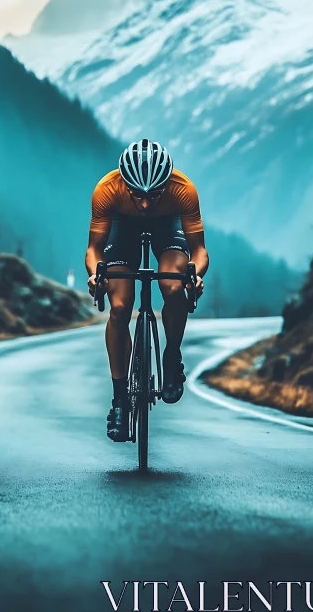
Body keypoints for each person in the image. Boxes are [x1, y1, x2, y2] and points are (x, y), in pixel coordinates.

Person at [85, 139, 209, 442]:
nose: (144, 204)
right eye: (137, 195)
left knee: (173, 284)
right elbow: (94, 250)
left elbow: (199, 251)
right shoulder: (107, 189)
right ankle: (119, 400)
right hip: (122, 227)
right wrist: (96, 276)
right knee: (119, 306)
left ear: (166, 184)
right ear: (125, 185)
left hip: (168, 225)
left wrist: (195, 275)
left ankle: (171, 356)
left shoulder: (183, 189)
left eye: (153, 195)